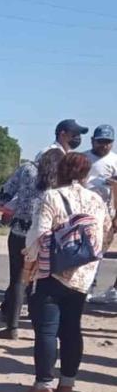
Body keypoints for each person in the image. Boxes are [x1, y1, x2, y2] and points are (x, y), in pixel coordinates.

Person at [18, 153, 111, 392]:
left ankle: (43, 386)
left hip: (50, 273)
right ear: (86, 174)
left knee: (47, 330)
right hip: (82, 275)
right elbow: (104, 235)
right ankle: (67, 384)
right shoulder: (97, 199)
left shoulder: (51, 196)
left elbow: (38, 234)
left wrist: (29, 265)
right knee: (72, 330)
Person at [0, 149, 64, 339]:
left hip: (20, 232)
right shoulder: (62, 176)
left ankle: (12, 327)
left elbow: (3, 196)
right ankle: (39, 326)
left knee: (18, 279)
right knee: (41, 280)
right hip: (47, 235)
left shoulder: (27, 170)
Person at [84, 124, 117, 304]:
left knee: (98, 252)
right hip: (82, 212)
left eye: (107, 142)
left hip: (105, 214)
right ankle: (83, 287)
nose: (104, 145)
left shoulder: (115, 161)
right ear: (93, 141)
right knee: (82, 251)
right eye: (100, 142)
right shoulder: (83, 158)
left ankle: (91, 286)